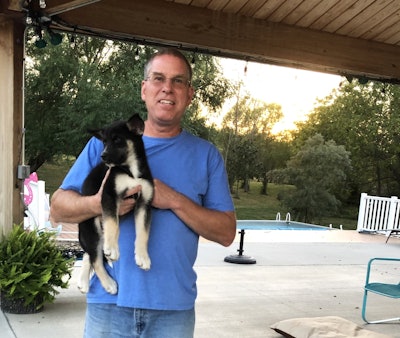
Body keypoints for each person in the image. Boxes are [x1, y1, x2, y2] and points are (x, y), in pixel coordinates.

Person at [50, 48, 236, 338]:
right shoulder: (105, 146)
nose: (167, 88)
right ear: (144, 89)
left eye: (178, 81)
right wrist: (98, 203)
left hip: (173, 310)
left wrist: (172, 199)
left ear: (190, 93)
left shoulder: (206, 155)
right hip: (108, 306)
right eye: (158, 78)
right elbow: (58, 209)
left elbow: (226, 233)